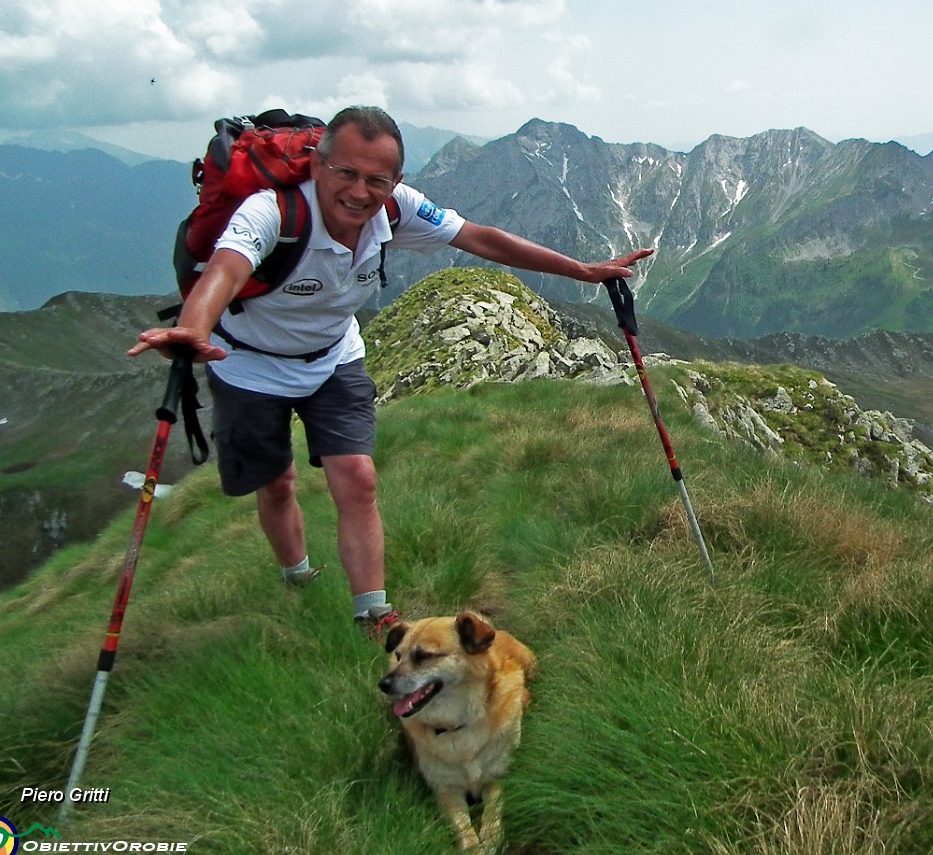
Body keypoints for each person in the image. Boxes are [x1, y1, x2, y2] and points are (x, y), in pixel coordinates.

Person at [129, 105, 652, 639]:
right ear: (317, 165)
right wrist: (194, 329)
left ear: (395, 181)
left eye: (376, 180)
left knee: (357, 477)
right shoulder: (271, 213)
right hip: (248, 366)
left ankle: (373, 614)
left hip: (335, 357)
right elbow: (226, 268)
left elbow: (482, 238)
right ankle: (297, 577)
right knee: (277, 483)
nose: (359, 192)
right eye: (346, 173)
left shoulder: (398, 210)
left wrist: (582, 271)